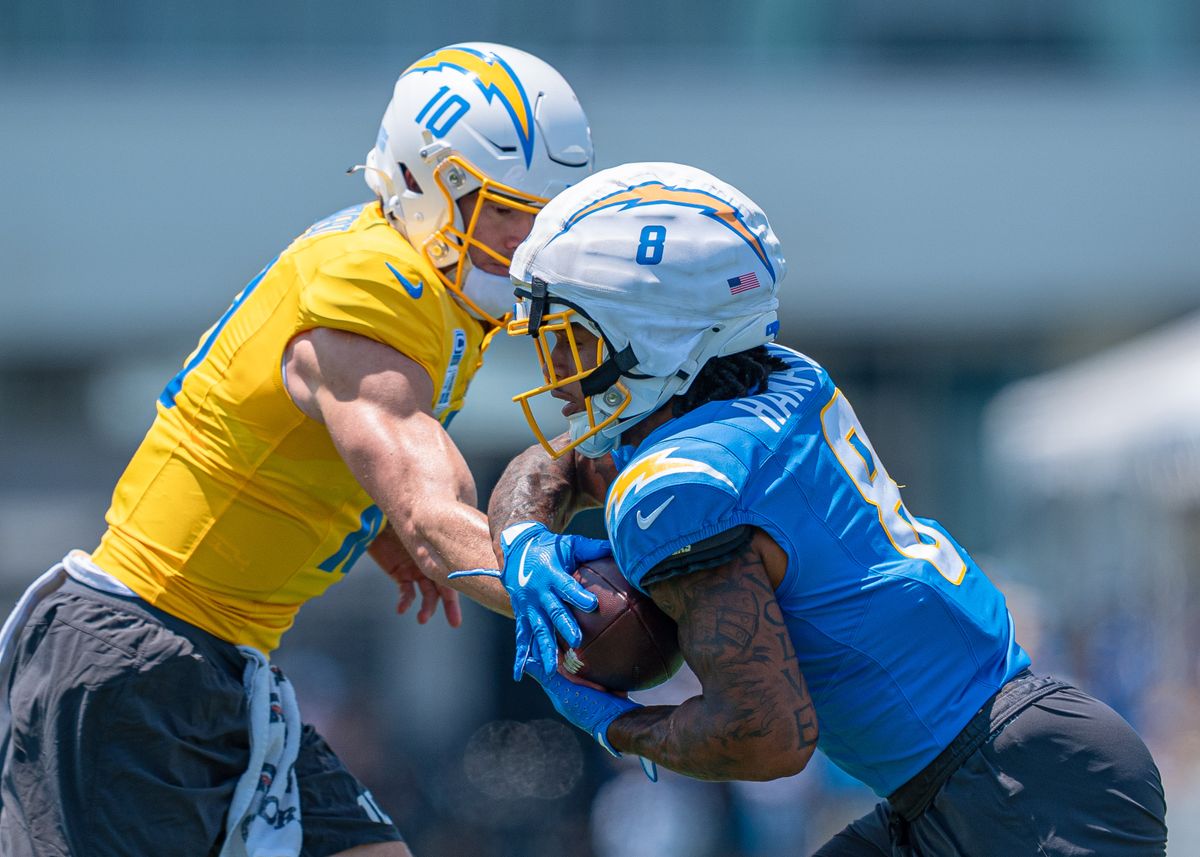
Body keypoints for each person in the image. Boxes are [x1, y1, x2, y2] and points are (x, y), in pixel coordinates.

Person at [0, 42, 603, 857]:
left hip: (214, 664)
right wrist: (580, 592)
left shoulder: (420, 281)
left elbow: (321, 446)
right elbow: (434, 509)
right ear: (431, 186)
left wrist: (368, 523)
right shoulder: (381, 283)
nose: (528, 242)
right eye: (506, 210)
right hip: (136, 652)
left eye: (545, 213)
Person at [482, 162, 1169, 855]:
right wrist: (522, 542)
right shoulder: (776, 380)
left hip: (1023, 787)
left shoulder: (677, 484)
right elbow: (559, 463)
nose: (556, 375)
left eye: (573, 338)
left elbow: (766, 737)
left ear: (656, 331)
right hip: (975, 777)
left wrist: (609, 720)